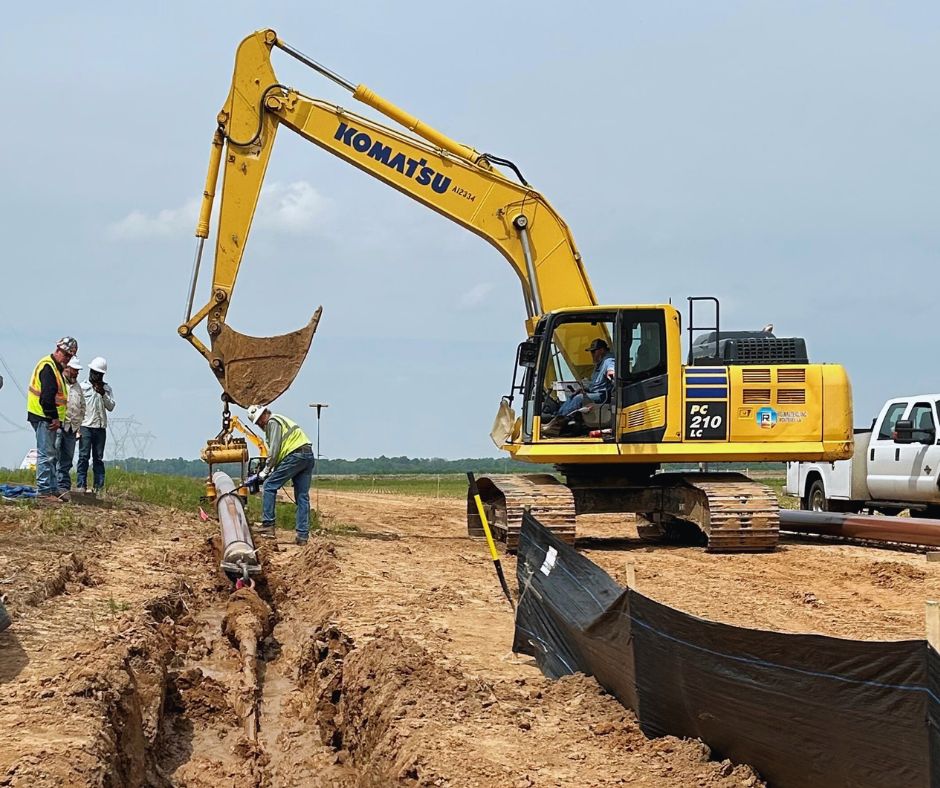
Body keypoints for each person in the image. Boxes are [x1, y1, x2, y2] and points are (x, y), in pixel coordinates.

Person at [247, 404, 316, 546]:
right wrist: (274, 468)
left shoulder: (273, 422)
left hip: (295, 456)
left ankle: (268, 525)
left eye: (260, 419)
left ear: (266, 413)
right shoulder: (281, 420)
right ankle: (302, 536)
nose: (260, 423)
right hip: (307, 455)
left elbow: (274, 449)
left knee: (269, 486)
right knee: (302, 496)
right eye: (258, 422)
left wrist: (266, 471)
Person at [26, 337, 78, 501]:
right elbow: (47, 397)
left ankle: (53, 488)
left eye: (70, 357)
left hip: (47, 417)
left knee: (52, 454)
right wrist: (53, 418)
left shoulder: (55, 368)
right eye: (66, 355)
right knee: (46, 454)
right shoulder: (48, 367)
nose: (67, 359)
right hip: (44, 416)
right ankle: (44, 491)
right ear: (58, 350)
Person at [543, 338, 615, 436]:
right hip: (596, 393)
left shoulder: (608, 360)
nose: (592, 354)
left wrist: (611, 372)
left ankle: (557, 424)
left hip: (603, 395)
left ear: (602, 350)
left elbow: (611, 367)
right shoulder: (599, 364)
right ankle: (556, 418)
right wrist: (585, 389)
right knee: (573, 396)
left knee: (578, 399)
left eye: (594, 352)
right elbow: (596, 384)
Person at [78, 357, 114, 495]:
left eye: (99, 374)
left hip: (100, 428)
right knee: (83, 456)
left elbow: (111, 406)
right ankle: (81, 485)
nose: (96, 376)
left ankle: (98, 487)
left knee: (98, 458)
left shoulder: (106, 389)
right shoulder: (82, 387)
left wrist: (103, 394)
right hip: (86, 426)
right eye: (94, 372)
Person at [56, 357, 86, 493]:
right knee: (54, 456)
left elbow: (82, 407)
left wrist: (78, 424)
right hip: (59, 425)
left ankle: (63, 486)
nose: (76, 373)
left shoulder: (77, 387)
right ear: (67, 369)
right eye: (75, 370)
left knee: (67, 459)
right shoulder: (59, 382)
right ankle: (52, 485)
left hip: (72, 428)